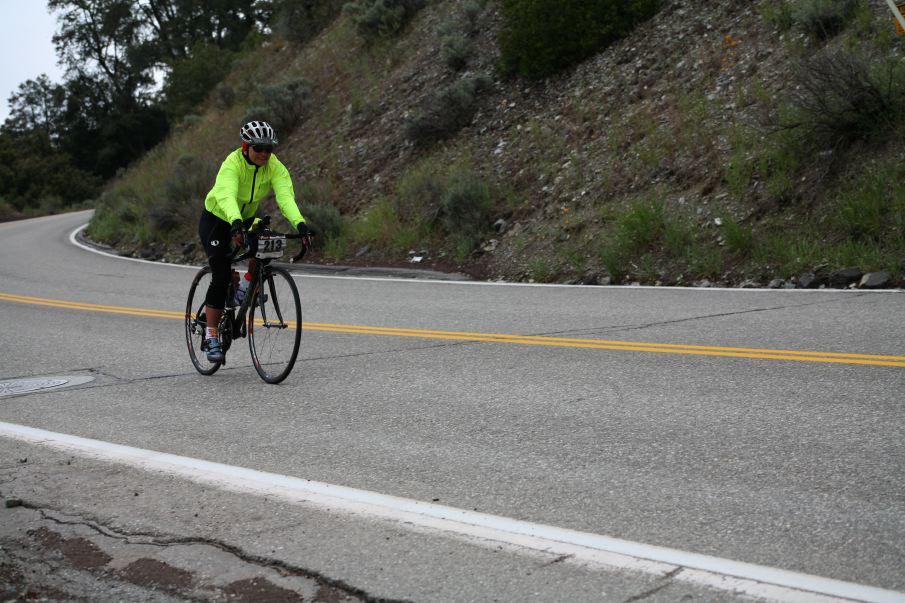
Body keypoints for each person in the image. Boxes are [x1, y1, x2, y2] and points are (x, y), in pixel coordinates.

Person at [198, 120, 311, 362]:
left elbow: (285, 197)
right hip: (218, 219)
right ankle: (211, 335)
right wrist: (235, 223)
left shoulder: (274, 166)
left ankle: (245, 287)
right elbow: (226, 195)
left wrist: (300, 225)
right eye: (258, 148)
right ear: (245, 147)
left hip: (245, 218)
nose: (264, 154)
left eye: (268, 149)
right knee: (220, 274)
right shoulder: (232, 164)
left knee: (267, 245)